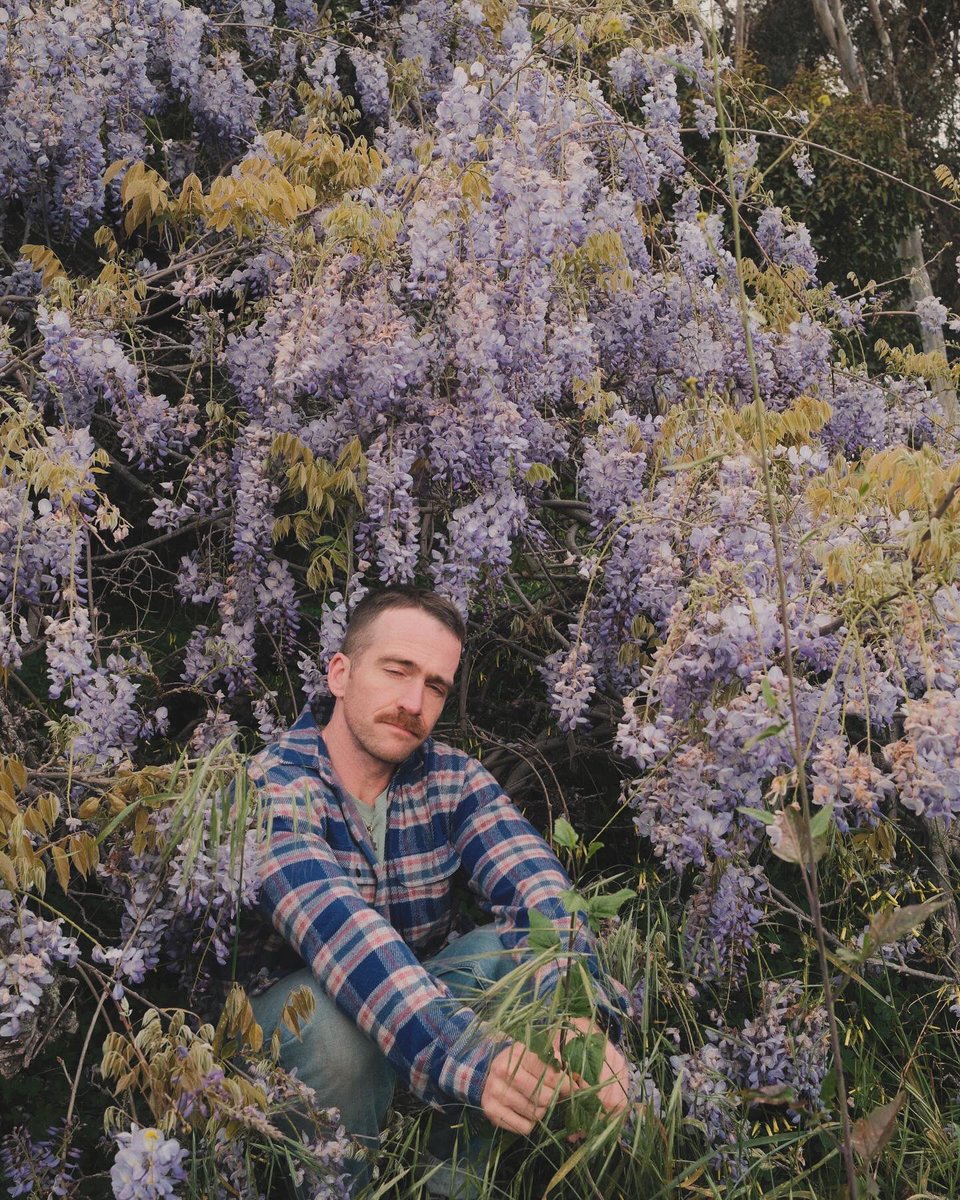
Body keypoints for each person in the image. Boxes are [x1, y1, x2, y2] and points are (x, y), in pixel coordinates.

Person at [243, 586, 630, 1195]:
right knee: (334, 1029)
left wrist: (574, 1013)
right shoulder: (271, 786)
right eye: (396, 670)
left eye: (435, 686)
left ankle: (449, 1187)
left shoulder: (450, 776)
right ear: (340, 674)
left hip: (415, 1006)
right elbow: (343, 933)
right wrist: (471, 1056)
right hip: (275, 1032)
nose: (412, 702)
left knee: (517, 960)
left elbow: (539, 890)